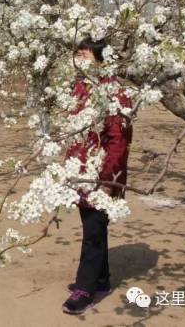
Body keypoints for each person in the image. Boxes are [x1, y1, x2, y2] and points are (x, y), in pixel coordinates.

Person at [62, 37, 133, 315]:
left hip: (102, 173)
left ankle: (85, 289)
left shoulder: (114, 90)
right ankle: (100, 279)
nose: (79, 58)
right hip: (81, 171)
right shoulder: (81, 87)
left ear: (101, 57)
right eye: (77, 54)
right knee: (93, 225)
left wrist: (107, 181)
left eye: (85, 54)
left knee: (93, 229)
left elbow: (118, 139)